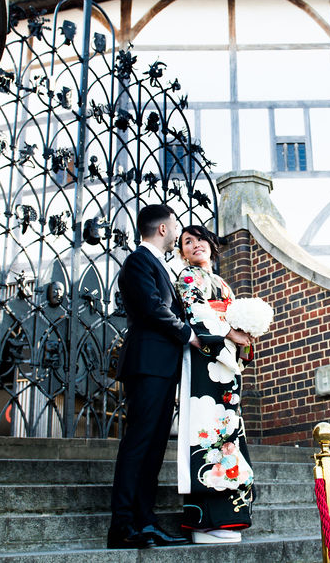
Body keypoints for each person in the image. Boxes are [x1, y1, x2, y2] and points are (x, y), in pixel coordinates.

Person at [107, 204, 192, 549]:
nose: (177, 233)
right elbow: (153, 307)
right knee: (139, 443)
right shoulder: (138, 261)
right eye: (175, 227)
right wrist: (189, 334)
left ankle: (146, 522)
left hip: (162, 366)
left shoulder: (158, 263)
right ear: (162, 228)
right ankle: (123, 526)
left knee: (155, 446)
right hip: (147, 363)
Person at [174, 224, 256, 544]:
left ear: (211, 244)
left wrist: (245, 338)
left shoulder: (223, 284)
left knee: (230, 434)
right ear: (182, 252)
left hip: (227, 367)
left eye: (199, 239)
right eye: (187, 242)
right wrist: (230, 332)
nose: (195, 245)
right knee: (207, 433)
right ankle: (205, 521)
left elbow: (236, 321)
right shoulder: (188, 278)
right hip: (204, 363)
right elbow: (194, 312)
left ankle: (230, 517)